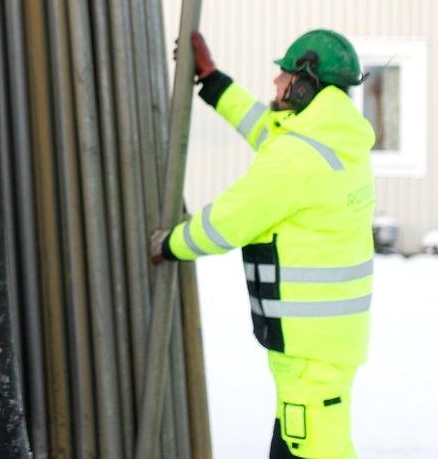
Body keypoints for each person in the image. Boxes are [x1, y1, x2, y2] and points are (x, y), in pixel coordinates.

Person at [151, 30, 375, 459]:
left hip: (308, 347)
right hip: (327, 343)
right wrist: (213, 81)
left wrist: (170, 244)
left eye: (285, 75)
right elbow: (267, 131)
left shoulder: (299, 158)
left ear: (306, 86)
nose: (276, 83)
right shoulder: (335, 140)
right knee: (312, 440)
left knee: (312, 448)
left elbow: (231, 220)